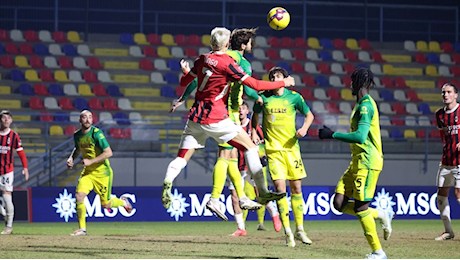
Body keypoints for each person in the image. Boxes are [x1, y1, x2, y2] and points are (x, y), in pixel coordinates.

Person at [161, 27, 295, 221]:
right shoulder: (228, 64)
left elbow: (184, 82)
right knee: (249, 147)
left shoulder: (201, 59)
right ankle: (263, 192)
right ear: (226, 44)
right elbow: (255, 86)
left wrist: (187, 73)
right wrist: (283, 83)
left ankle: (168, 180)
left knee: (182, 158)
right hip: (218, 118)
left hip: (195, 118)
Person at [319, 67, 394, 259]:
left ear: (358, 82)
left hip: (368, 163)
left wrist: (332, 135)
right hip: (357, 162)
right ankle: (381, 214)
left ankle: (378, 252)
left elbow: (360, 137)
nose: (349, 84)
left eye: (352, 81)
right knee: (339, 203)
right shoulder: (359, 104)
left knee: (361, 207)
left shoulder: (365, 106)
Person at [251, 67, 314, 247]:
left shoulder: (294, 97)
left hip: (292, 149)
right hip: (273, 151)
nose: (274, 78)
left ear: (285, 79)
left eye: (278, 76)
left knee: (296, 189)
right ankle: (288, 232)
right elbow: (255, 114)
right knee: (280, 191)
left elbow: (309, 115)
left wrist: (304, 128)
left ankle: (300, 229)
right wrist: (254, 132)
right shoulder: (263, 97)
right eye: (272, 76)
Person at [66, 110, 133, 236]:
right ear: (80, 120)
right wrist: (71, 158)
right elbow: (77, 148)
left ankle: (123, 202)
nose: (87, 119)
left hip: (103, 173)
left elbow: (109, 153)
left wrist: (91, 161)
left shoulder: (97, 134)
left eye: (90, 117)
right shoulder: (77, 135)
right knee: (79, 196)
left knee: (106, 204)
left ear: (93, 120)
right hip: (88, 173)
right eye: (84, 117)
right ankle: (82, 229)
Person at [229, 101, 281, 236]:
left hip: (250, 166)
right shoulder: (230, 126)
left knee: (260, 195)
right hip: (236, 166)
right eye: (238, 108)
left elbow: (262, 142)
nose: (240, 111)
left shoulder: (253, 126)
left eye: (243, 108)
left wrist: (262, 156)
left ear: (247, 111)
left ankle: (274, 214)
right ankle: (241, 228)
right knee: (235, 197)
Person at [434, 82, 460, 241]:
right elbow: (443, 136)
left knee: (458, 194)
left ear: (455, 95)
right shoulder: (439, 114)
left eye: (449, 92)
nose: (445, 95)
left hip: (459, 161)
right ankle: (448, 231)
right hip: (446, 160)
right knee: (441, 196)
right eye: (443, 92)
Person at [0, 110, 29, 235]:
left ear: (11, 121)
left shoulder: (13, 136)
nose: (6, 120)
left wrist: (25, 168)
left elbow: (21, 154)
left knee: (7, 196)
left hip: (7, 171)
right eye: (4, 118)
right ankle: (5, 214)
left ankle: (9, 226)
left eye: (8, 118)